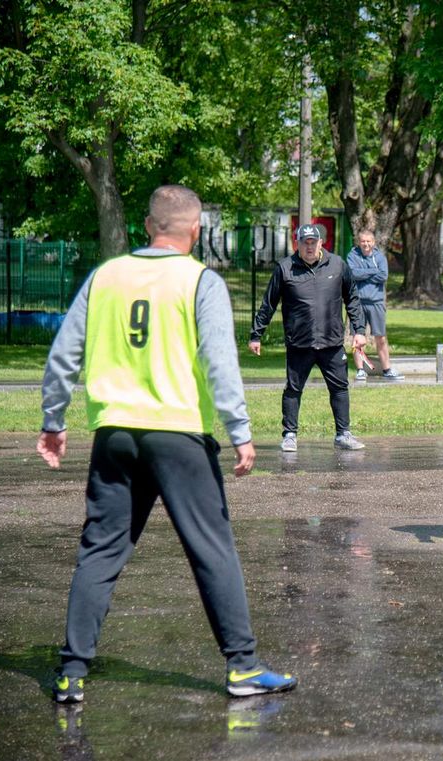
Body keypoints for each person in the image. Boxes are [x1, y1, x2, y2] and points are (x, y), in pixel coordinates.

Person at [37, 184, 297, 703]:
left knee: (100, 550)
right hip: (178, 436)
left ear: (148, 225)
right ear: (195, 230)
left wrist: (54, 419)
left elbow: (64, 354)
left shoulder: (105, 277)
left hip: (114, 436)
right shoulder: (201, 281)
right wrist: (241, 431)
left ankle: (70, 672)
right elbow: (220, 363)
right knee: (212, 549)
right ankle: (242, 667)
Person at [249, 223, 368, 452]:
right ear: (298, 244)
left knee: (340, 388)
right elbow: (268, 304)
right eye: (305, 243)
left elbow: (352, 298)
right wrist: (256, 335)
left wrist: (359, 331)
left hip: (331, 342)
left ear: (321, 243)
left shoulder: (337, 265)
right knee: (293, 389)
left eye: (313, 242)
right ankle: (289, 435)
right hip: (299, 343)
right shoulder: (285, 268)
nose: (310, 247)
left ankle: (343, 434)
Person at [348, 229, 404, 381]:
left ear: (373, 242)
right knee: (357, 338)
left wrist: (364, 273)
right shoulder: (352, 255)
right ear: (359, 242)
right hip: (357, 303)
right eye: (363, 241)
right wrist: (373, 271)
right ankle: (360, 370)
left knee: (381, 337)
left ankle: (387, 369)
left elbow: (383, 276)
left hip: (376, 302)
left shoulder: (380, 256)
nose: (366, 244)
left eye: (368, 241)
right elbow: (352, 274)